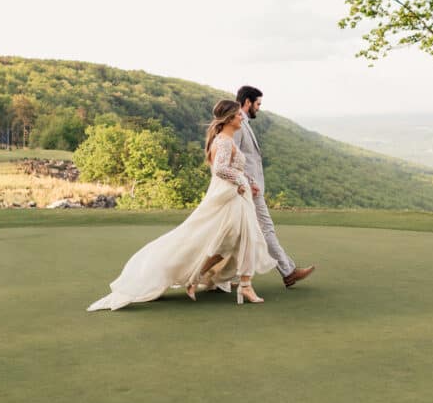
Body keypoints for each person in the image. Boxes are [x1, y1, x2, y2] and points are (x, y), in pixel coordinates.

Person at [88, 100, 277, 311]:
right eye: (238, 116)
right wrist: (241, 182)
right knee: (237, 238)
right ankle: (239, 285)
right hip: (230, 197)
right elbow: (221, 169)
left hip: (236, 196)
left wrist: (249, 181)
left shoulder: (228, 140)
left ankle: (209, 279)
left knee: (236, 239)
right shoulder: (223, 141)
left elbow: (236, 167)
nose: (242, 118)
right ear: (229, 119)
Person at [233, 86, 315, 288]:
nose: (259, 108)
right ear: (247, 102)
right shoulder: (237, 123)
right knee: (265, 229)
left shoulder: (243, 122)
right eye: (258, 104)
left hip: (251, 186)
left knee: (236, 232)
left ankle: (222, 279)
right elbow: (232, 156)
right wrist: (247, 182)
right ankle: (288, 271)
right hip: (248, 188)